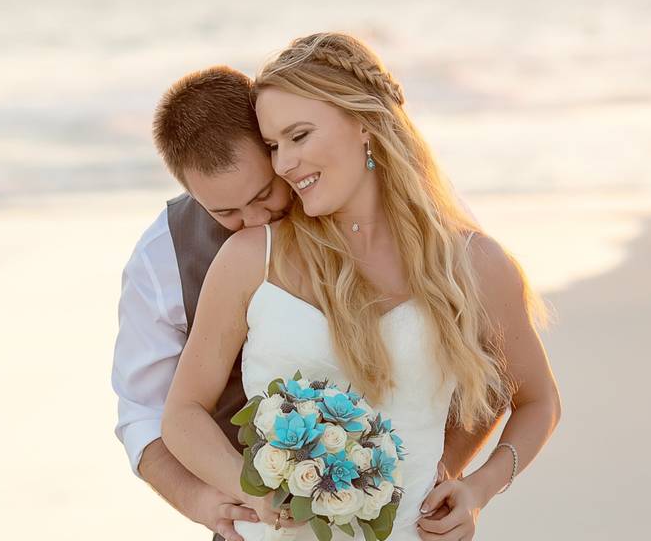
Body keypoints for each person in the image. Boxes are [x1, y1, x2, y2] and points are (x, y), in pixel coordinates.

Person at [161, 33, 562, 541]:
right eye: (273, 146)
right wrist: (249, 489)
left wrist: (478, 487)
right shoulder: (251, 258)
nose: (283, 163)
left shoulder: (474, 262)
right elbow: (181, 413)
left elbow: (538, 400)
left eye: (299, 136)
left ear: (365, 122)